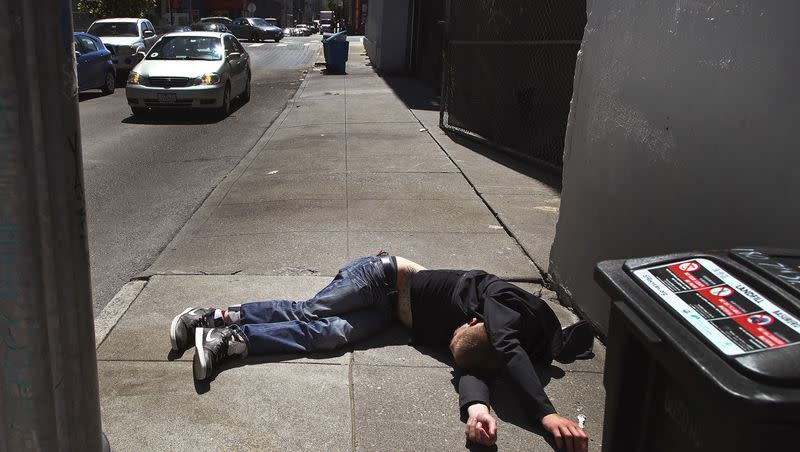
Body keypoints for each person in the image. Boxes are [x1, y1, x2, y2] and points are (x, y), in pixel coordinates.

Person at [169, 255, 593, 451]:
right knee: (310, 309)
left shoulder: (504, 341)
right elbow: (501, 347)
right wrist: (545, 414)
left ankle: (229, 342)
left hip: (393, 317)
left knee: (328, 337)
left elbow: (475, 364)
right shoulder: (504, 299)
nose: (460, 326)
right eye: (467, 325)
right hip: (380, 278)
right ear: (483, 323)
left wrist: (478, 409)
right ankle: (213, 316)